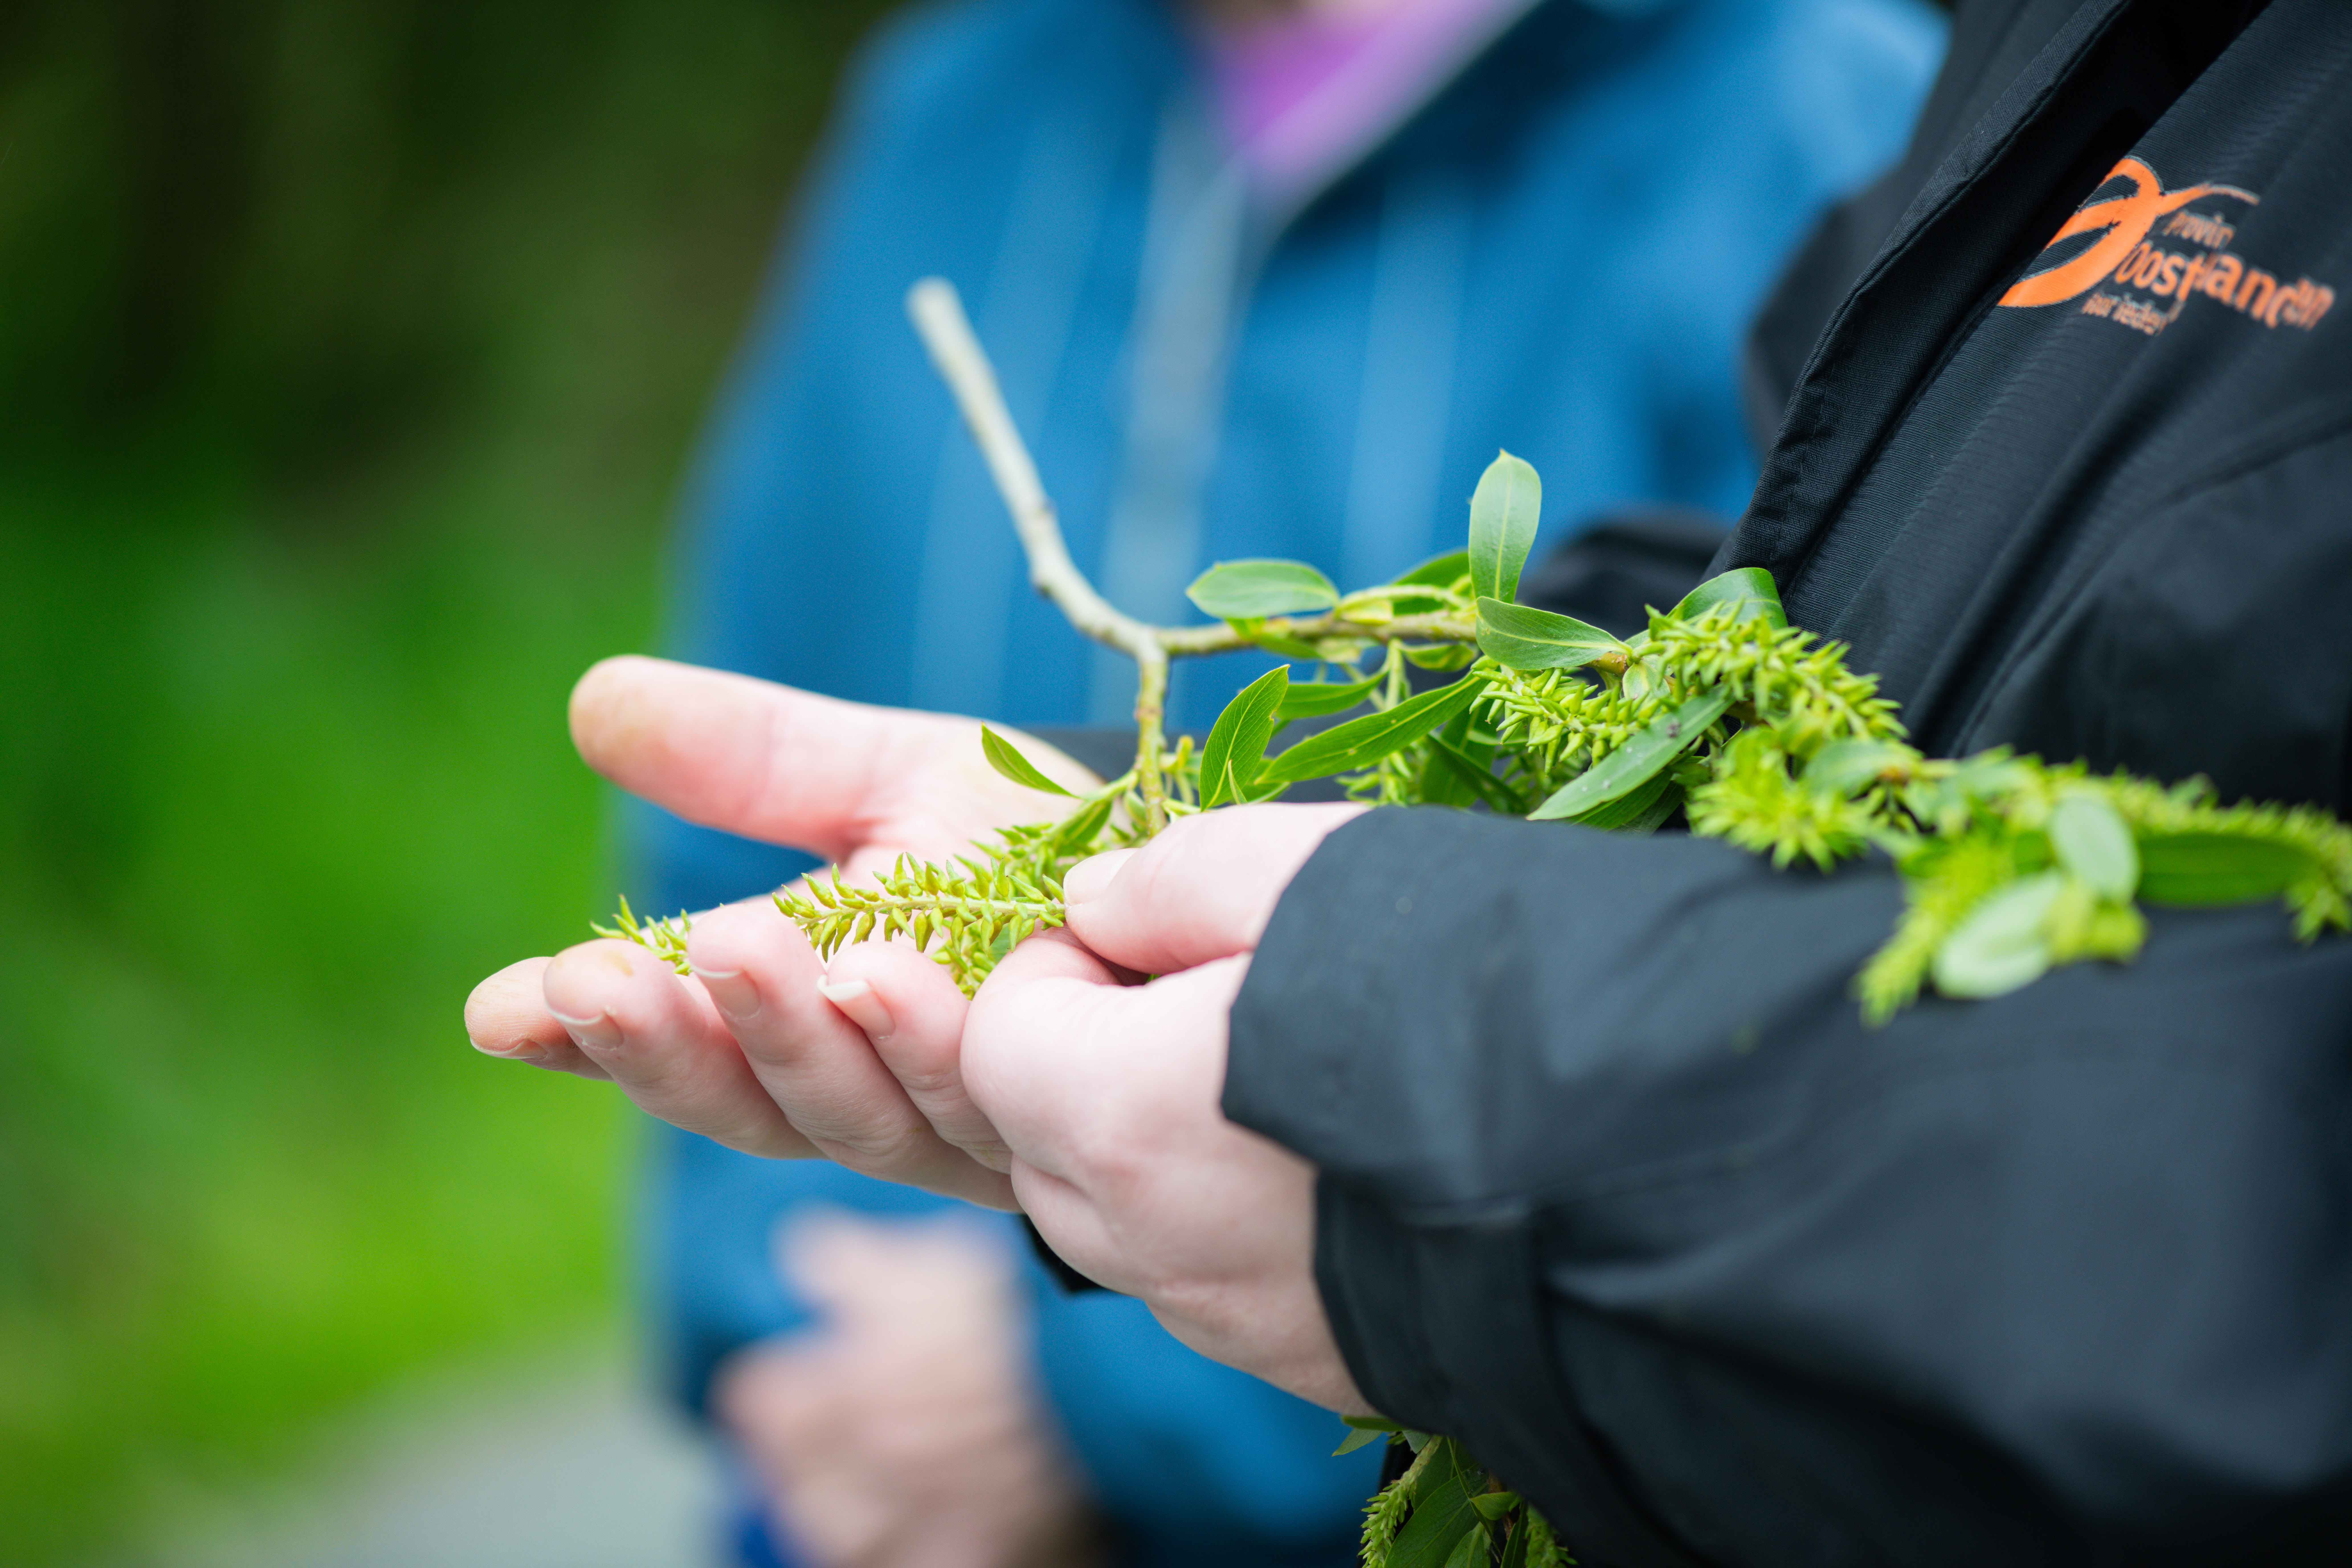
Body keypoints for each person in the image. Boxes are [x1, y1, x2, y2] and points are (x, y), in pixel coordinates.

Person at [473, 0, 2352, 1556]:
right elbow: (765, 758)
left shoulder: (1790, 105)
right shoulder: (957, 106)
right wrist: (795, 1354)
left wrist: (1090, 1406)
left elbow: (1743, 939)